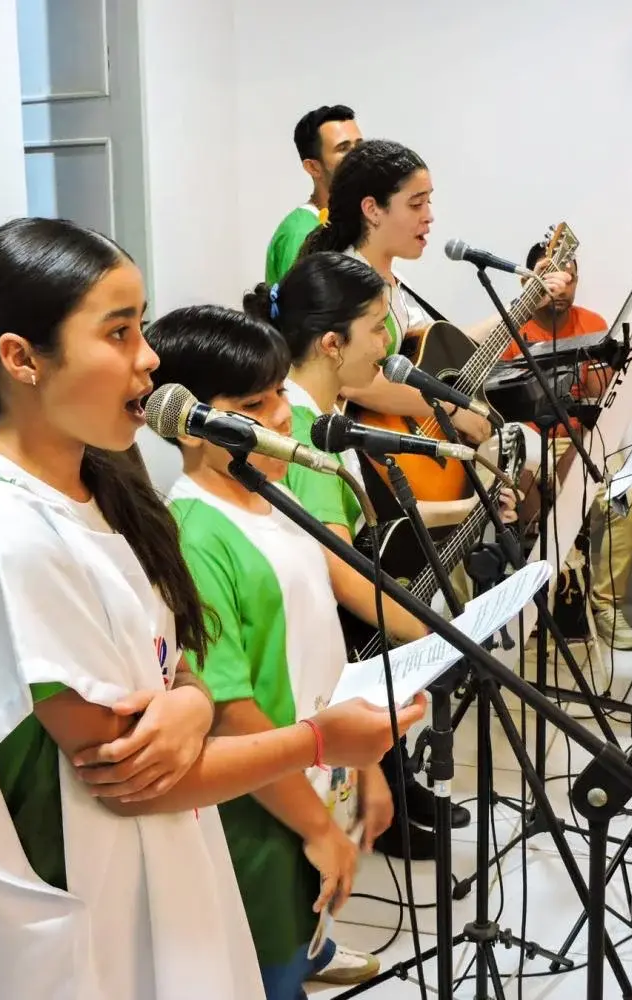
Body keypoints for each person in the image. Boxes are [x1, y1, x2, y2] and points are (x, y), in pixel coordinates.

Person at [0, 217, 426, 1000]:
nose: (150, 360)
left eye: (143, 326)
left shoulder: (103, 484)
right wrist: (322, 739)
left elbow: (164, 652)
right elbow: (135, 777)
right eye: (119, 333)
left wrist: (189, 702)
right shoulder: (8, 533)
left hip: (164, 867)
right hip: (85, 908)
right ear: (21, 358)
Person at [144, 304, 388, 997]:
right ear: (189, 424)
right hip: (262, 812)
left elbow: (319, 644)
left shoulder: (273, 493)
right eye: (254, 403)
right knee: (266, 970)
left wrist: (363, 768)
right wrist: (319, 829)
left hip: (315, 781)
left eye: (280, 391)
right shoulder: (195, 531)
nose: (282, 417)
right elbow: (230, 709)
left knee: (301, 944)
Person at [243, 252, 518, 858]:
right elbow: (342, 573)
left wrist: (480, 507)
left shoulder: (322, 410)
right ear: (334, 343)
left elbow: (373, 528)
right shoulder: (307, 424)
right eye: (377, 326)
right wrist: (437, 631)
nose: (388, 342)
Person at [300, 139, 572, 449]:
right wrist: (451, 409)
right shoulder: (345, 280)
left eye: (429, 202)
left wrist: (527, 302)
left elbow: (448, 345)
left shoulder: (393, 280)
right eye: (416, 204)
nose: (429, 216)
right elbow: (352, 382)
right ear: (372, 209)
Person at [504, 242, 632, 650]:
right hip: (529, 446)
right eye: (550, 273)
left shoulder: (594, 323)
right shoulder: (512, 328)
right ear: (527, 279)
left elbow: (604, 401)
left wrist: (607, 380)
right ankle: (520, 608)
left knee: (629, 498)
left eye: (571, 276)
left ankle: (606, 605)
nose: (561, 286)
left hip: (583, 444)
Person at [265, 104, 362, 285]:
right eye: (343, 148)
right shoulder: (300, 234)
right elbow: (303, 309)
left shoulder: (353, 223)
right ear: (313, 167)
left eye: (360, 145)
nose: (359, 156)